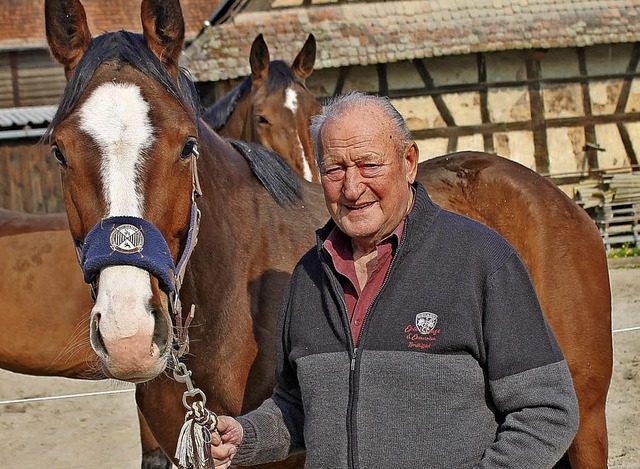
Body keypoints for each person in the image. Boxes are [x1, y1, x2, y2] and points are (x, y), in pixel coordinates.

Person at [210, 92, 579, 468]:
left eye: (369, 165)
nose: (351, 188)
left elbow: (546, 410)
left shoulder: (482, 261)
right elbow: (299, 406)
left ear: (408, 162)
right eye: (334, 169)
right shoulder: (308, 276)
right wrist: (247, 435)